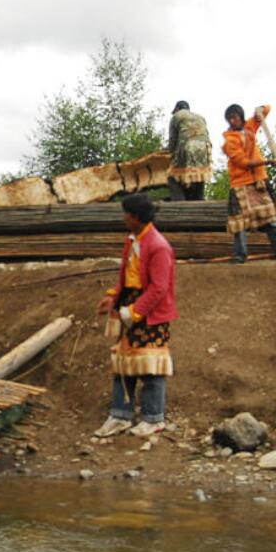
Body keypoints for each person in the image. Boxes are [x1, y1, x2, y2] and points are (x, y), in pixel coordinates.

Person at [93, 193, 177, 438]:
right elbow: (127, 277)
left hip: (151, 312)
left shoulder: (159, 246)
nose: (123, 218)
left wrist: (135, 312)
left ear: (136, 217)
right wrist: (113, 297)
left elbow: (159, 288)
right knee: (123, 362)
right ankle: (120, 415)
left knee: (151, 364)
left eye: (126, 214)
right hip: (130, 304)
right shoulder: (131, 241)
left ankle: (153, 418)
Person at [221, 104, 276, 264]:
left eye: (235, 117)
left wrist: (259, 111)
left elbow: (267, 109)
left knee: (271, 218)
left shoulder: (249, 127)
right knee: (240, 223)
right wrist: (266, 162)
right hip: (240, 183)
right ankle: (240, 255)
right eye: (229, 118)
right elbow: (242, 162)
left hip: (258, 181)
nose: (232, 120)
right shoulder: (229, 141)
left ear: (241, 116)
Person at [167, 101, 211, 201]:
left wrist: (168, 153)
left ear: (177, 109)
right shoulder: (201, 117)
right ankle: (199, 200)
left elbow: (172, 141)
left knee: (173, 176)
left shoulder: (176, 117)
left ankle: (180, 204)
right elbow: (206, 136)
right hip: (204, 149)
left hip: (186, 147)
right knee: (200, 174)